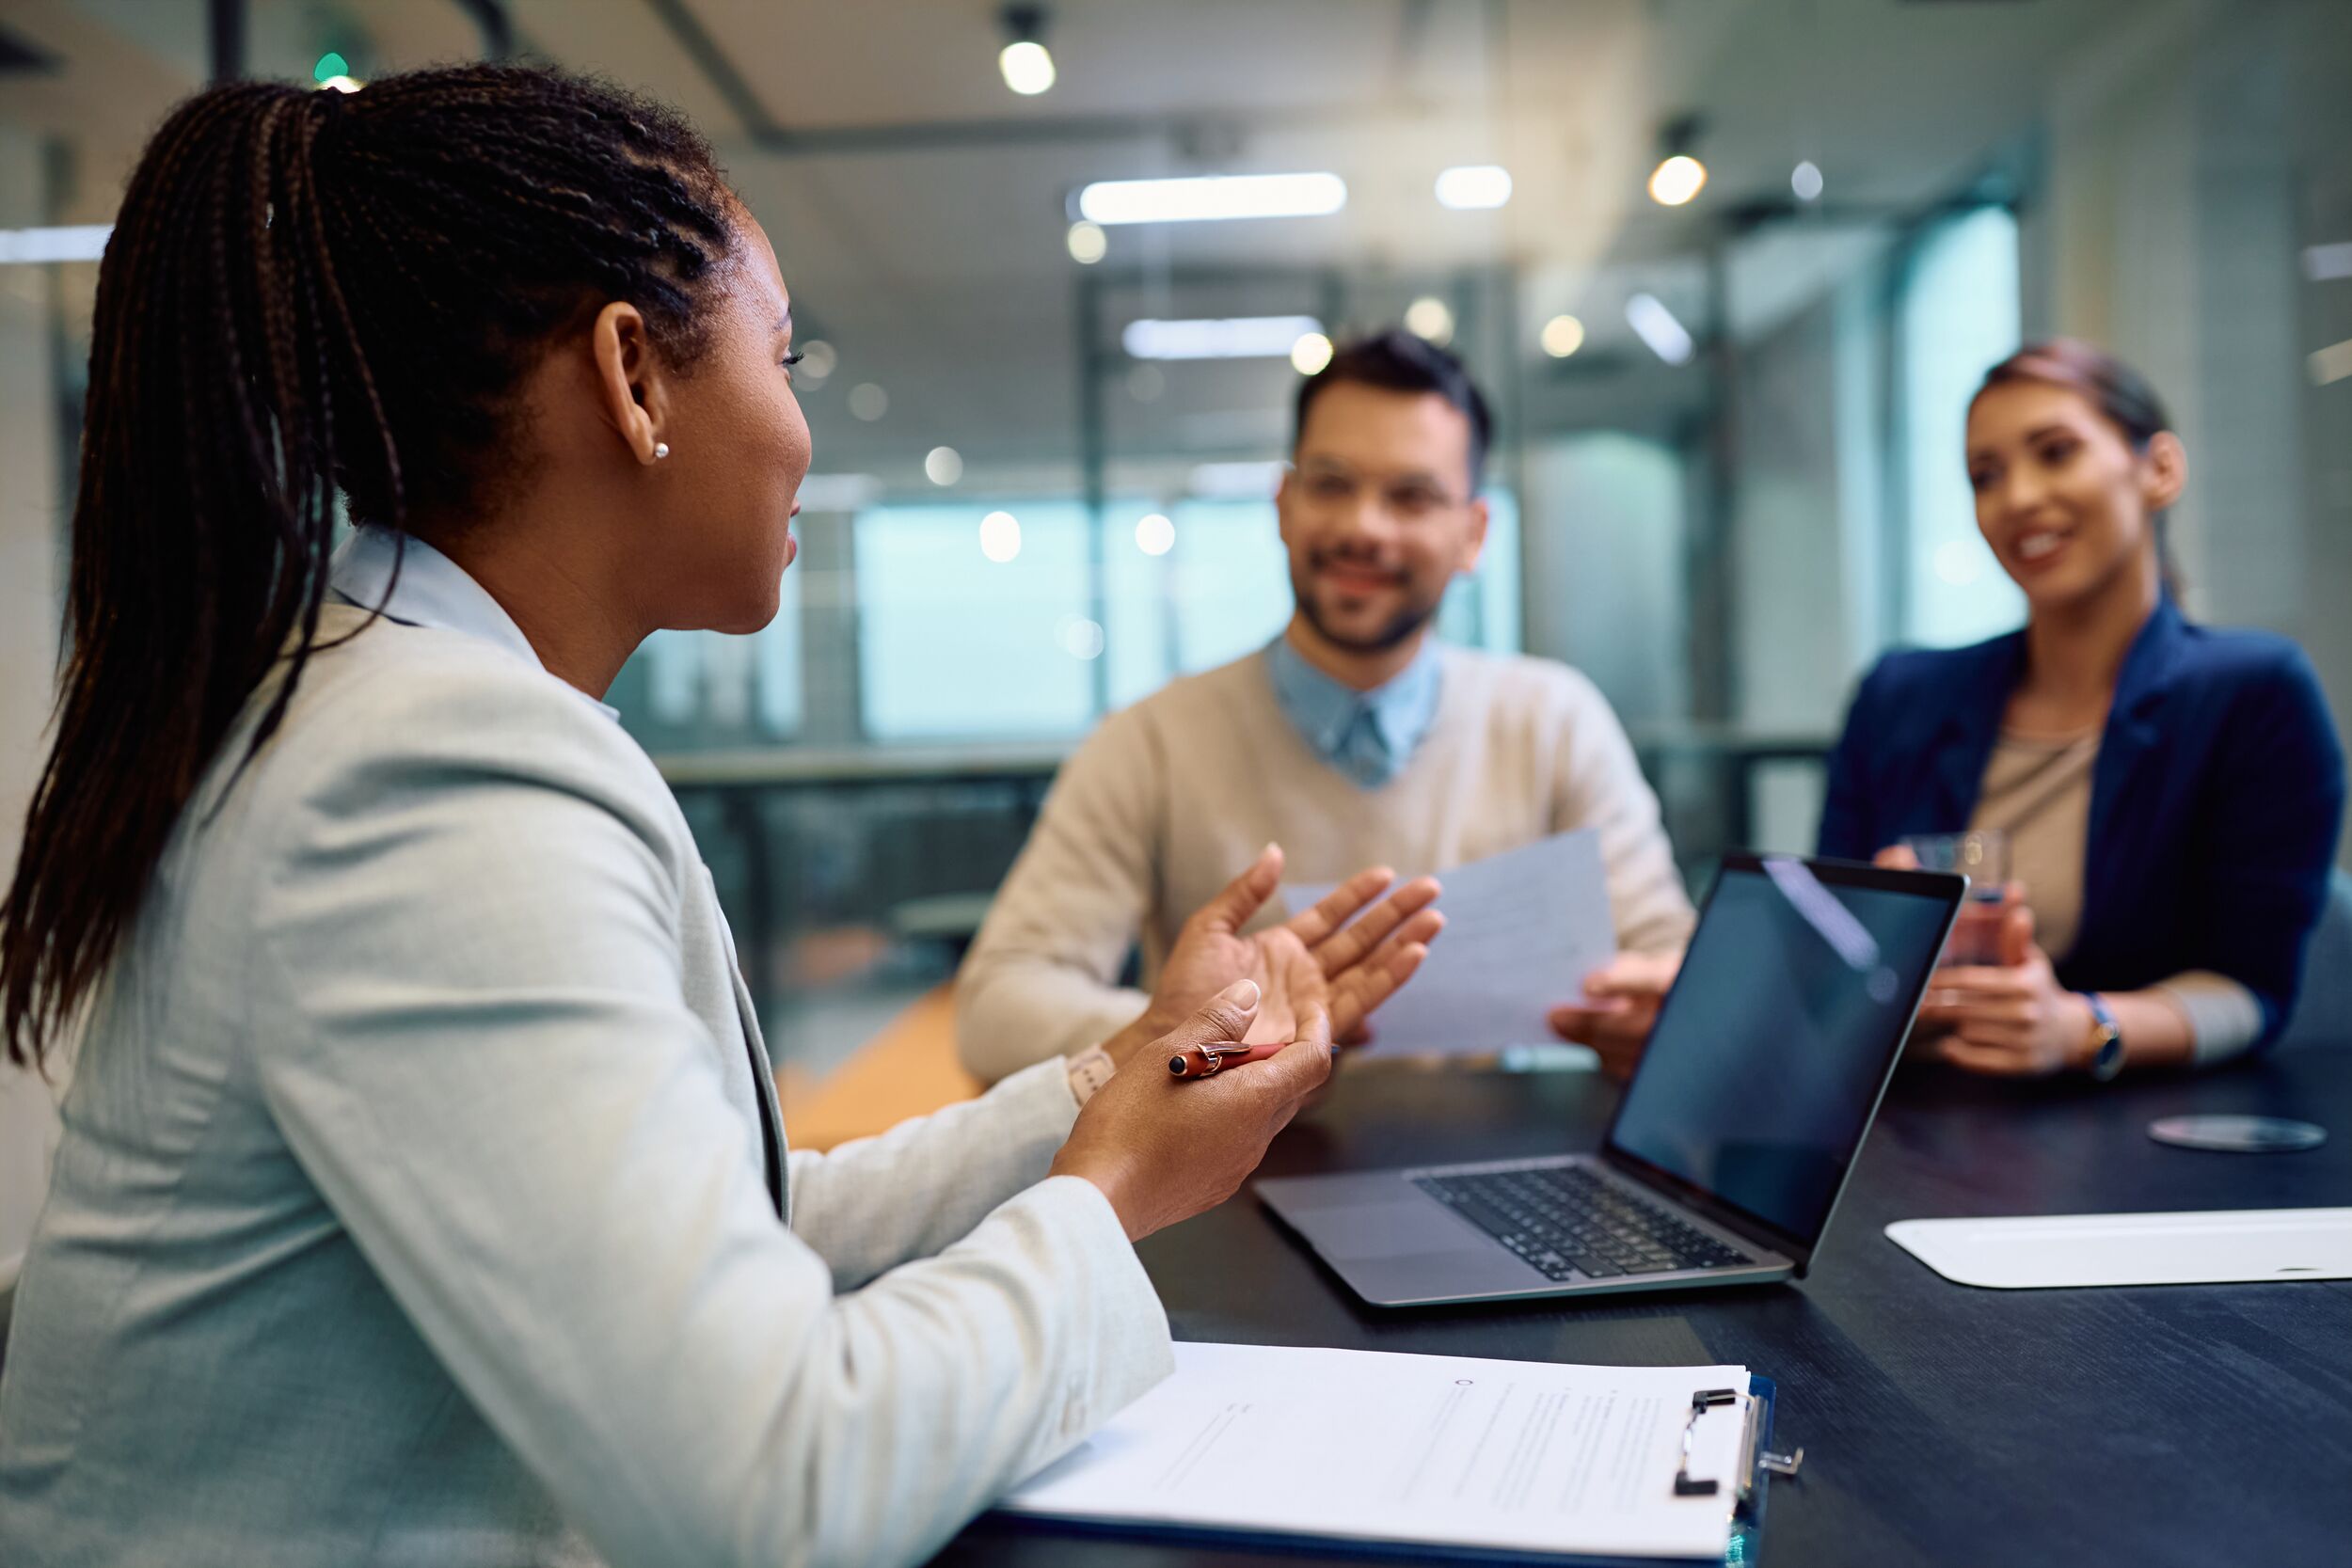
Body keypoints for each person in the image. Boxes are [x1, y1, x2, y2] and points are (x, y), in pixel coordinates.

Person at [0, 67, 1435, 1568]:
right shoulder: (425, 774)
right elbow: (774, 1488)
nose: (806, 425)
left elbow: (739, 1224)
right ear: (632, 377)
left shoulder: (389, 707)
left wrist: (1125, 1071)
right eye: (785, 353)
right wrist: (1120, 1184)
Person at [1558, 341, 2345, 1079]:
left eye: (2056, 452)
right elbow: (1829, 955)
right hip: (1913, 1119)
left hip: (2143, 1131)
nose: (2019, 498)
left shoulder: (2252, 692)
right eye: (1985, 475)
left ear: (2160, 467)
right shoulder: (1901, 695)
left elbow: (2252, 992)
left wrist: (2081, 1028)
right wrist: (1732, 975)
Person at [956, 329, 1695, 1082]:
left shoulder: (1554, 723)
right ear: (1284, 504)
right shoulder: (1151, 740)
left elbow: (1673, 965)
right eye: (1332, 483)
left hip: (1494, 1165)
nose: (1362, 527)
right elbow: (995, 1012)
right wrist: (1206, 1036)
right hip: (1224, 1186)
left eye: (1411, 496)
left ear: (1473, 535)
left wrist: (1662, 1017)